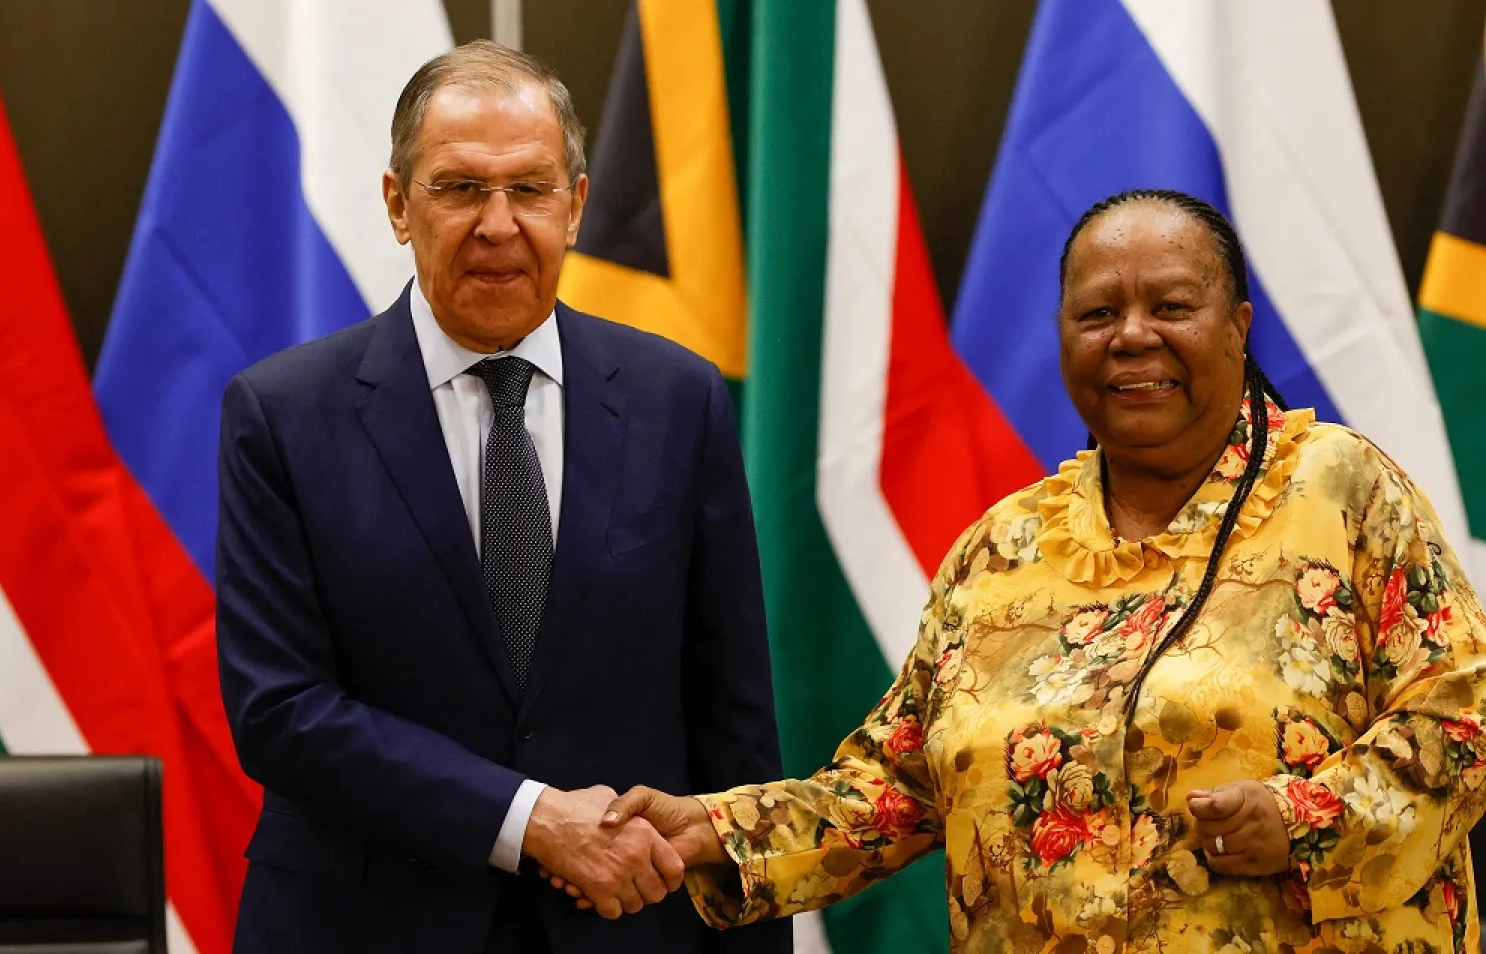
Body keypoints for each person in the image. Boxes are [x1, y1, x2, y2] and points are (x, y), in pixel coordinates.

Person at [564, 190, 1486, 951]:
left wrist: (1305, 814)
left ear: (1238, 327)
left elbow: (1468, 710)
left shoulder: (1339, 488)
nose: (1132, 336)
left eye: (1171, 307)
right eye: (1097, 314)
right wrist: (716, 833)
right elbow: (895, 787)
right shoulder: (1001, 548)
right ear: (1061, 338)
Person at [215, 40, 790, 954]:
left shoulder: (678, 400)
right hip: (365, 926)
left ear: (577, 204)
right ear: (399, 205)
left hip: (627, 930)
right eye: (458, 188)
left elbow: (732, 726)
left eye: (529, 189)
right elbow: (280, 711)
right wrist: (528, 820)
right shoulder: (282, 416)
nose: (497, 223)